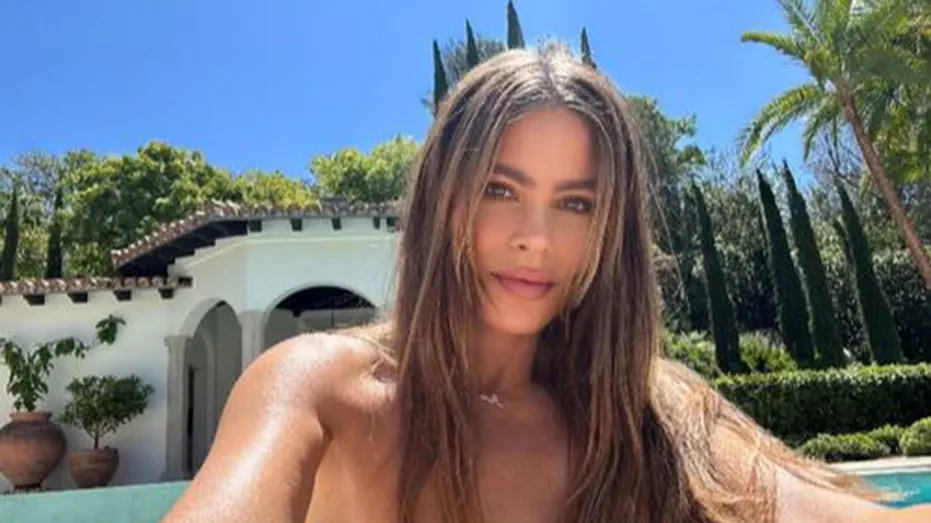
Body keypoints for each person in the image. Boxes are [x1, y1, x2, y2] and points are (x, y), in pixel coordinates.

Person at [160, 45, 931, 523]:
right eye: (500, 189)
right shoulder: (321, 386)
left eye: (575, 203)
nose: (536, 235)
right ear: (443, 200)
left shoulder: (644, 409)